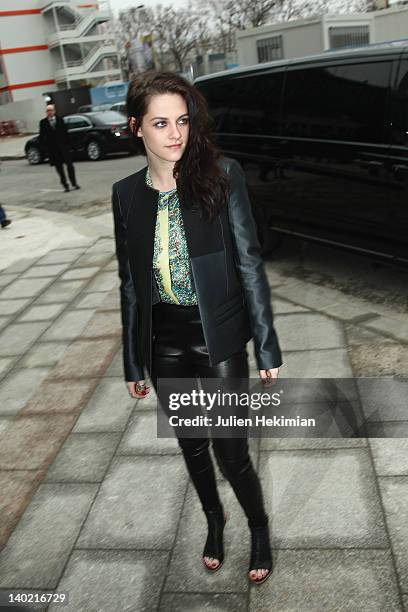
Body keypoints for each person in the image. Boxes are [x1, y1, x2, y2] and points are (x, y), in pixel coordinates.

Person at [111, 71, 283, 585]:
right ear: (136, 128)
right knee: (190, 443)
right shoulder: (125, 195)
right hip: (164, 342)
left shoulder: (222, 175)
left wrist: (268, 348)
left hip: (219, 337)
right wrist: (132, 359)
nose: (175, 134)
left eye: (182, 120)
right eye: (160, 123)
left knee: (231, 448)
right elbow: (130, 284)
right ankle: (214, 519)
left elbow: (250, 263)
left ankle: (258, 526)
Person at [39, 104, 80, 192]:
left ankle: (74, 183)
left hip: (64, 148)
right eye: (48, 110)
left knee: (70, 166)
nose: (49, 112)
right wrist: (45, 150)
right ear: (46, 112)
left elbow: (66, 133)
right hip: (53, 150)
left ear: (54, 111)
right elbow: (41, 137)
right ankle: (65, 185)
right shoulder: (43, 122)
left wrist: (70, 146)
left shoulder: (60, 120)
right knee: (60, 169)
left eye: (51, 110)